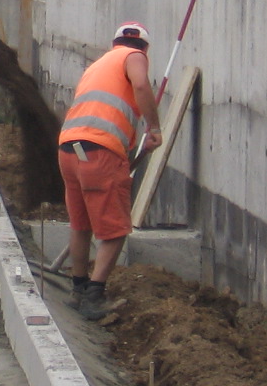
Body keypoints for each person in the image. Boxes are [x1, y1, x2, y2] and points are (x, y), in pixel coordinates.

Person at [58, 22, 163, 320]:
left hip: (69, 147)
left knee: (81, 223)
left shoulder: (98, 65)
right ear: (144, 48)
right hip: (100, 151)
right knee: (116, 229)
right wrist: (153, 128)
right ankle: (95, 296)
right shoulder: (134, 56)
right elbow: (141, 85)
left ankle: (77, 290)